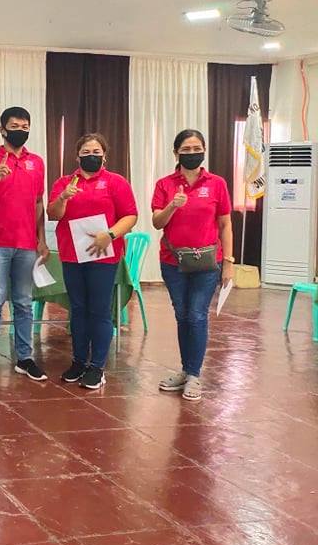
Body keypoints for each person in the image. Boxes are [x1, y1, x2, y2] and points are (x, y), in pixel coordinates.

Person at [48, 133, 138, 390]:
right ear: (77, 157)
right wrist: (63, 197)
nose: (91, 156)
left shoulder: (115, 182)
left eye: (96, 152)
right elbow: (53, 214)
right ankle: (78, 361)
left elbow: (130, 215)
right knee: (77, 308)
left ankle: (97, 366)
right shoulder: (64, 182)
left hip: (103, 255)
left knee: (99, 309)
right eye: (86, 152)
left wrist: (110, 234)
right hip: (72, 255)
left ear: (104, 156)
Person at [152, 129, 233, 402]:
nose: (191, 153)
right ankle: (186, 371)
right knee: (182, 315)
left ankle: (194, 375)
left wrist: (229, 262)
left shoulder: (217, 183)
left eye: (196, 148)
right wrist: (172, 206)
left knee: (197, 315)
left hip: (208, 262)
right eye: (185, 149)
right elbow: (157, 223)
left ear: (204, 150)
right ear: (176, 153)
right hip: (172, 261)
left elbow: (225, 224)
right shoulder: (165, 184)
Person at [0, 107, 50, 382]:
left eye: (25, 126)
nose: (20, 130)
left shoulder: (36, 162)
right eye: (15, 126)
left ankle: (25, 358)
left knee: (24, 302)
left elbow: (39, 202)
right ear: (2, 129)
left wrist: (42, 239)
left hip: (27, 244)